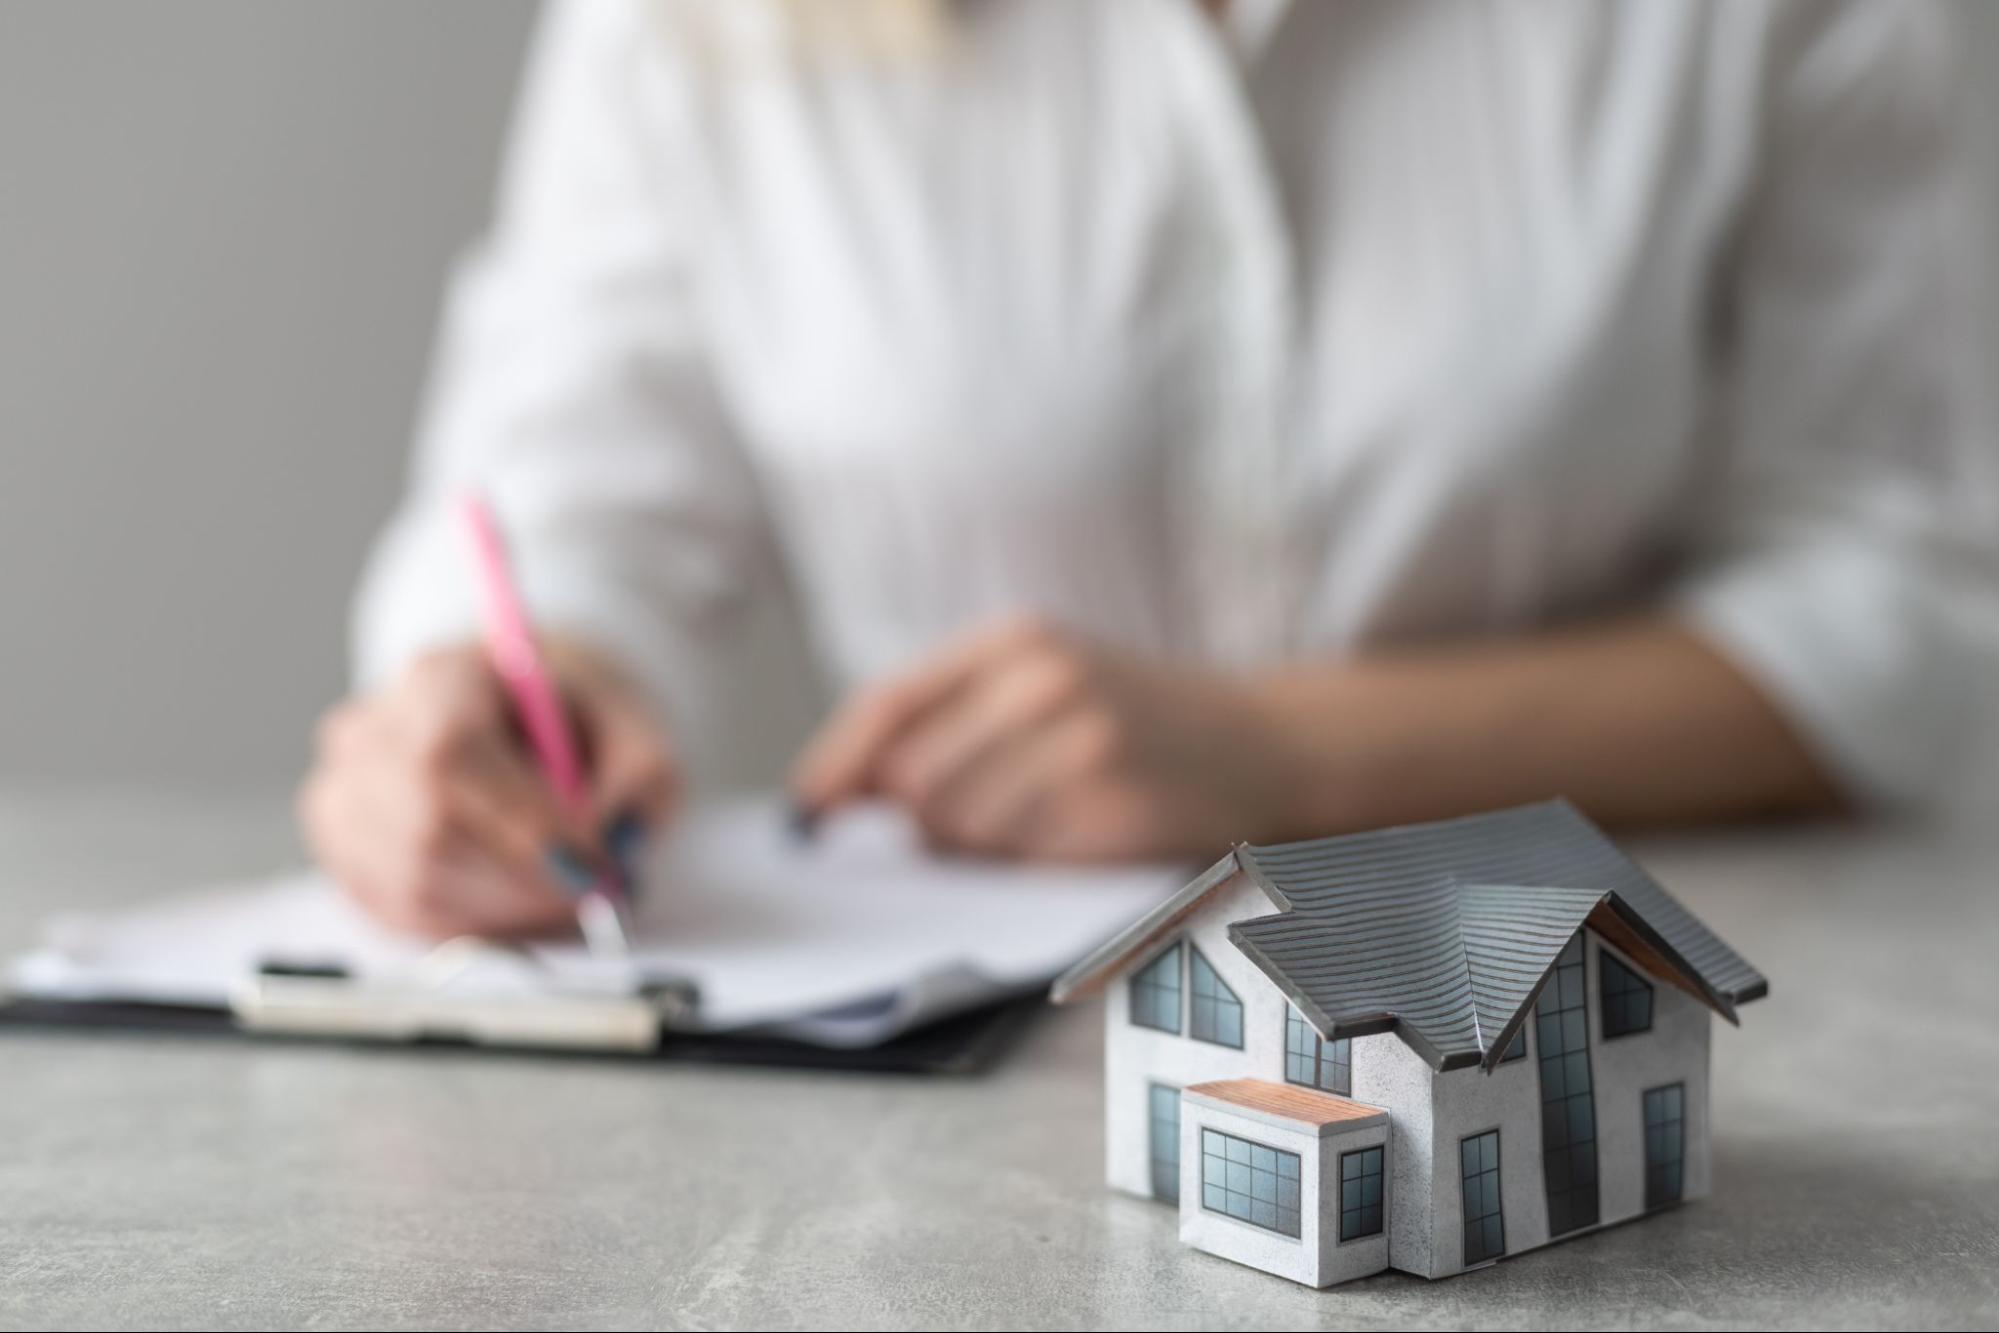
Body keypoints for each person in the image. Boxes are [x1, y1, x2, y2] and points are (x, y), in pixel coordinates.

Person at [301, 0, 1995, 939]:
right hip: (966, 1085)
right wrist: (510, 705)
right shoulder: (694, 32)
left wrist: (1273, 753)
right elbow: (572, 501)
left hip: (1620, 992)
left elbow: (1895, 608)